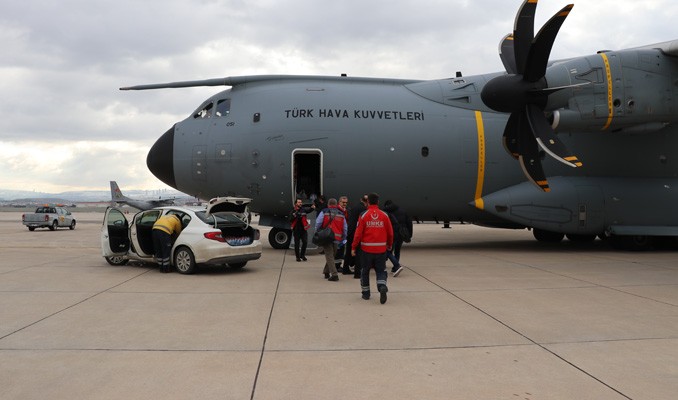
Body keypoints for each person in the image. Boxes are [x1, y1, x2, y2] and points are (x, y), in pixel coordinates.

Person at [351, 193, 393, 304]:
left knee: (365, 271)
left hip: (366, 250)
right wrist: (389, 244)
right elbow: (390, 233)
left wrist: (353, 247)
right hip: (381, 250)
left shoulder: (364, 215)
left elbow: (358, 234)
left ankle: (366, 293)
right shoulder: (384, 215)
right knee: (381, 270)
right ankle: (382, 286)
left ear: (367, 202)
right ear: (378, 202)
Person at [315, 198, 347, 281]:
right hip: (337, 238)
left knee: (330, 256)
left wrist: (318, 232)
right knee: (331, 255)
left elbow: (318, 223)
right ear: (336, 205)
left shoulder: (324, 211)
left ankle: (333, 275)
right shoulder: (341, 214)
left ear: (328, 204)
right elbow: (345, 228)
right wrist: (343, 237)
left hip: (327, 237)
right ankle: (330, 272)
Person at [384, 200, 413, 277]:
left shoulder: (387, 212)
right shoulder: (403, 211)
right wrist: (409, 235)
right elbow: (409, 223)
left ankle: (396, 265)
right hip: (401, 234)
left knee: (388, 251)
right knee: (397, 251)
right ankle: (395, 268)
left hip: (392, 234)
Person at [346, 194, 368, 278]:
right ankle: (357, 273)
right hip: (355, 231)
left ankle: (345, 269)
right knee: (358, 253)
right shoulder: (363, 209)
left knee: (348, 251)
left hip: (350, 230)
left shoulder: (355, 207)